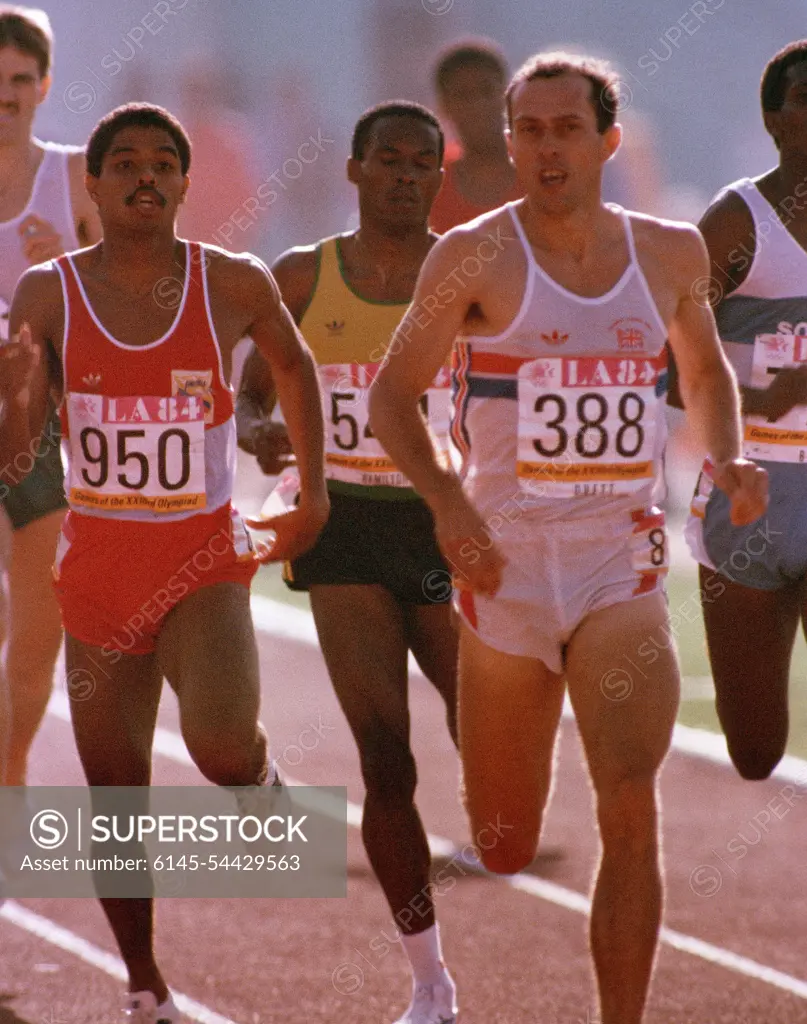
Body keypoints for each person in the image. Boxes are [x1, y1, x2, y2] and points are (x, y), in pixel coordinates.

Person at [368, 53, 768, 1024]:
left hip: (617, 564)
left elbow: (706, 377)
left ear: (608, 141)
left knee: (629, 804)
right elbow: (391, 398)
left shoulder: (668, 254)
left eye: (567, 129)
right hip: (503, 571)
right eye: (530, 130)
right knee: (504, 839)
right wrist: (452, 508)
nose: (548, 147)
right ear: (509, 142)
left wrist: (731, 461)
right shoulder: (471, 253)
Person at [1, 102, 328, 1023]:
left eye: (162, 163)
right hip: (98, 572)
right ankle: (145, 984)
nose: (145, 176)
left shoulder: (232, 281)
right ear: (94, 186)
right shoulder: (46, 294)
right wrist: (17, 395)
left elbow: (294, 369)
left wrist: (315, 492)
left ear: (185, 183)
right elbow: (18, 460)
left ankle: (258, 781)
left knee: (220, 741)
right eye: (125, 163)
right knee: (116, 797)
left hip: (201, 555)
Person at [237, 102, 459, 1024]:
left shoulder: (473, 272)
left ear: (436, 178)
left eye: (421, 163)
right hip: (345, 529)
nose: (405, 176)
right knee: (386, 761)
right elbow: (252, 397)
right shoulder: (299, 276)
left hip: (449, 524)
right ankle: (429, 982)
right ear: (356, 172)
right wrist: (263, 436)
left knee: (486, 743)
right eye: (388, 160)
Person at [678, 40, 807, 780]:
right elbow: (663, 369)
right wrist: (763, 397)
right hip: (747, 494)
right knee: (755, 752)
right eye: (804, 99)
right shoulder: (733, 223)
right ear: (773, 120)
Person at [0, 5, 101, 788]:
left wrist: (67, 262)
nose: (5, 95)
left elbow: (134, 312)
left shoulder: (74, 179)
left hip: (46, 437)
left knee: (38, 638)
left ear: (44, 85)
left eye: (19, 81)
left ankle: (10, 767)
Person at [429, 39, 522, 233]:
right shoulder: (429, 183)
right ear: (444, 105)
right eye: (463, 95)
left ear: (509, 96)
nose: (478, 105)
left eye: (487, 91)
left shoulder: (541, 171)